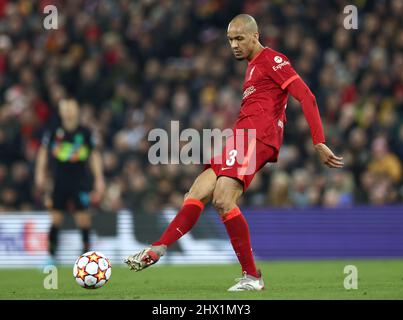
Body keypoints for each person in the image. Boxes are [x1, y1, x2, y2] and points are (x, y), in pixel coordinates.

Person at [124, 14, 344, 291]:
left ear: (256, 35)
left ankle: (252, 276)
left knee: (223, 198)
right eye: (230, 40)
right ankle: (158, 249)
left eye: (239, 38)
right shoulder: (252, 67)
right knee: (196, 192)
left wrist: (318, 141)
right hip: (238, 138)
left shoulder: (272, 60)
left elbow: (307, 96)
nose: (234, 45)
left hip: (256, 138)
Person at [35, 98, 105, 265]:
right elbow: (43, 153)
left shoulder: (85, 132)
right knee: (56, 219)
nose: (68, 111)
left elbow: (94, 155)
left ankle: (87, 257)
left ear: (77, 110)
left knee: (83, 219)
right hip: (58, 182)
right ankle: (50, 257)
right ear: (60, 112)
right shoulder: (53, 131)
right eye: (65, 109)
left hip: (80, 182)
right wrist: (40, 173)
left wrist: (99, 178)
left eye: (71, 108)